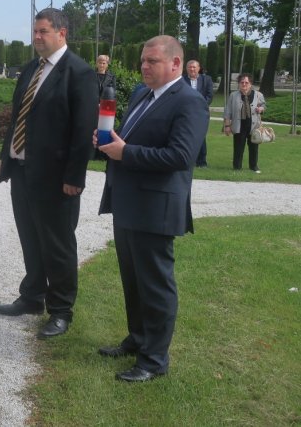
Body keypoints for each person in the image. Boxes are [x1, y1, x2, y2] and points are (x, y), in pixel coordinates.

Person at [96, 35, 209, 383]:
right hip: (128, 200)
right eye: (143, 61)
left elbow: (180, 156)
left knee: (156, 285)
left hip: (156, 208)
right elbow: (130, 138)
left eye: (153, 61)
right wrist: (108, 141)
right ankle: (138, 339)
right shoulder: (143, 94)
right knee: (133, 280)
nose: (144, 66)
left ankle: (154, 359)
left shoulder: (190, 102)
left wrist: (124, 153)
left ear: (176, 64)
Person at [0, 8, 99, 339]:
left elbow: (83, 131)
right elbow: (18, 119)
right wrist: (7, 156)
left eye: (43, 31)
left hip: (57, 180)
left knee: (58, 245)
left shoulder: (79, 73)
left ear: (62, 33)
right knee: (30, 238)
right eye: (35, 31)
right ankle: (32, 297)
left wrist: (75, 178)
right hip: (23, 171)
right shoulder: (31, 69)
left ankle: (61, 311)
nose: (37, 37)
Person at [223, 73, 266, 173]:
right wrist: (227, 126)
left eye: (246, 82)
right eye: (242, 82)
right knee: (238, 147)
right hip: (239, 125)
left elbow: (264, 105)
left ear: (250, 84)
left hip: (254, 126)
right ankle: (237, 167)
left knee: (254, 147)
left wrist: (261, 108)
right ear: (239, 84)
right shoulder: (233, 95)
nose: (244, 84)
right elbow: (227, 111)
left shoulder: (258, 95)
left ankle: (253, 166)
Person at [183, 59, 214, 167]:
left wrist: (199, 107)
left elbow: (210, 96)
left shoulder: (207, 79)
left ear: (199, 68)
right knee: (184, 137)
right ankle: (187, 160)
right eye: (190, 67)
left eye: (194, 67)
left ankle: (202, 162)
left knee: (201, 136)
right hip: (185, 113)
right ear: (186, 69)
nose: (192, 69)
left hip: (201, 113)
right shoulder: (181, 80)